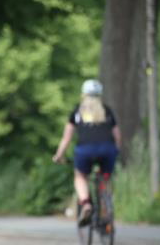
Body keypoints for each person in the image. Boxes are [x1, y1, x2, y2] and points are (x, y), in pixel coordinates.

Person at [52, 79, 122, 225]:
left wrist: (59, 155)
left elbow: (66, 138)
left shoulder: (77, 112)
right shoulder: (107, 111)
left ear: (83, 95)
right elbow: (117, 136)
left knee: (80, 176)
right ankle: (106, 207)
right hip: (108, 149)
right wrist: (117, 151)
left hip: (85, 150)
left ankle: (86, 204)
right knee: (106, 177)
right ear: (100, 96)